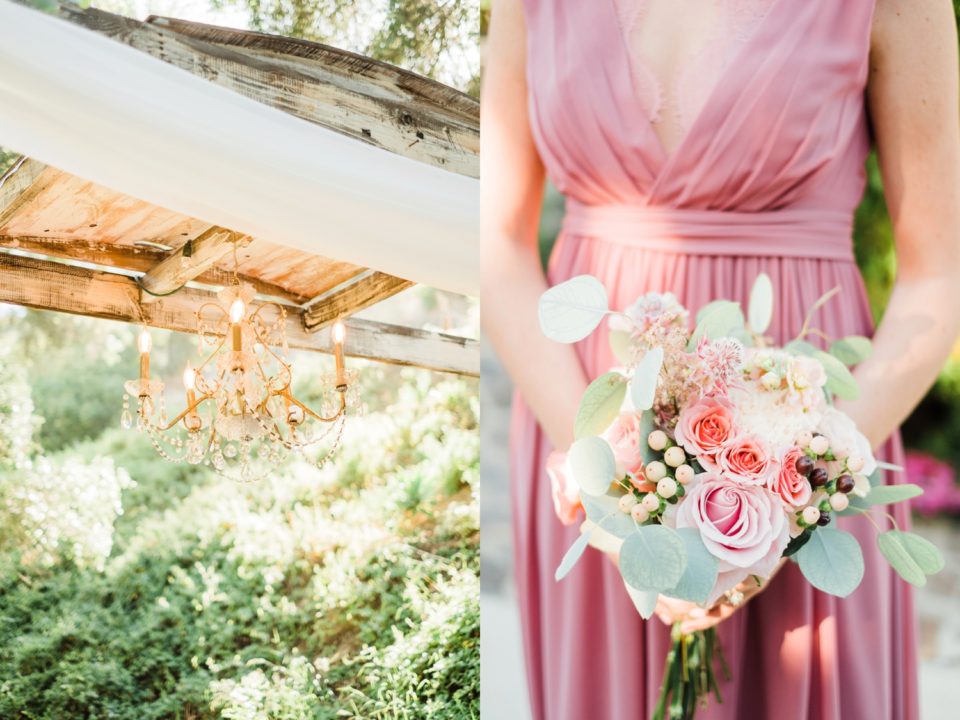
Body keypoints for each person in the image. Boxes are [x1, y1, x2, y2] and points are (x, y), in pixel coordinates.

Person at [480, 0, 960, 718]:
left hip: (813, 435)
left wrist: (800, 491)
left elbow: (938, 270)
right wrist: (602, 477)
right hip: (582, 427)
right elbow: (497, 244)